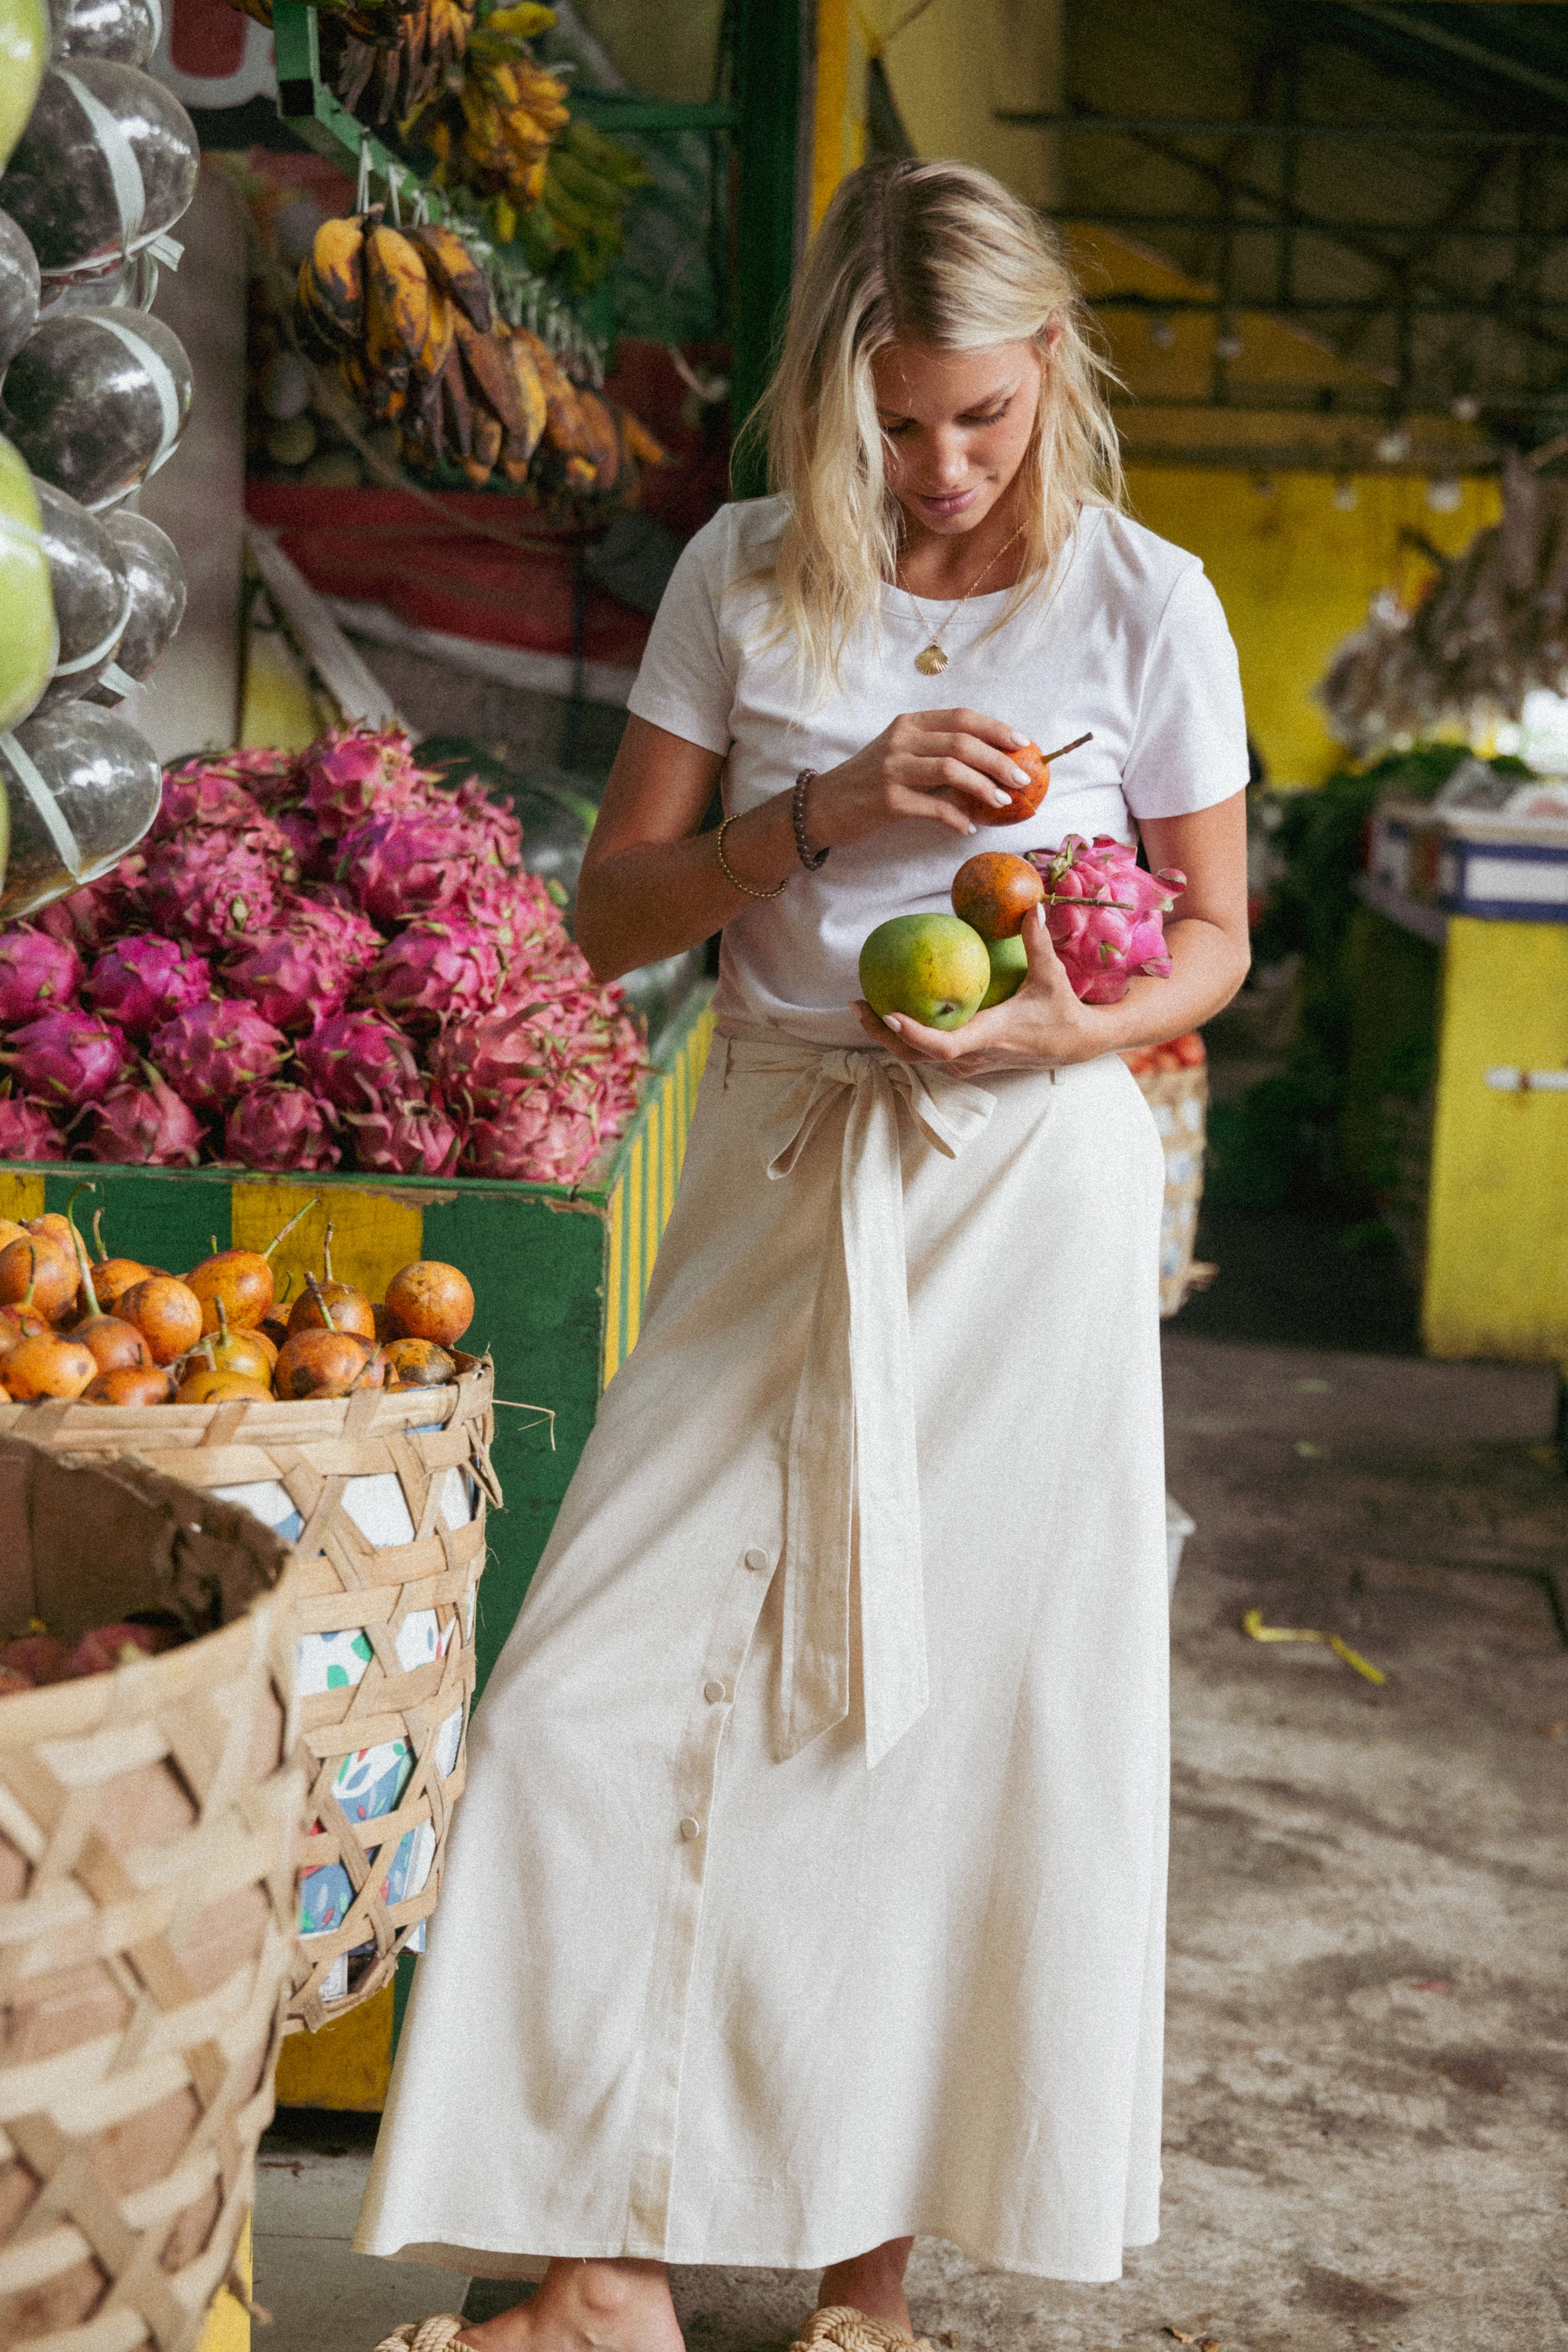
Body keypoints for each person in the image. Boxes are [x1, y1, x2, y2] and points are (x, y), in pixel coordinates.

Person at [357, 158, 1250, 2352]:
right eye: (891, 424)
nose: (937, 471)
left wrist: (1059, 1023)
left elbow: (1216, 944)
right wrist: (830, 817)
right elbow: (612, 917)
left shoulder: (1151, 601)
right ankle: (602, 2265)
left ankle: (874, 2280)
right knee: (594, 1700)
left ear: (1051, 373)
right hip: (781, 1163)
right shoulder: (742, 579)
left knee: (956, 1726)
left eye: (976, 418)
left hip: (1031, 1197)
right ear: (821, 400)